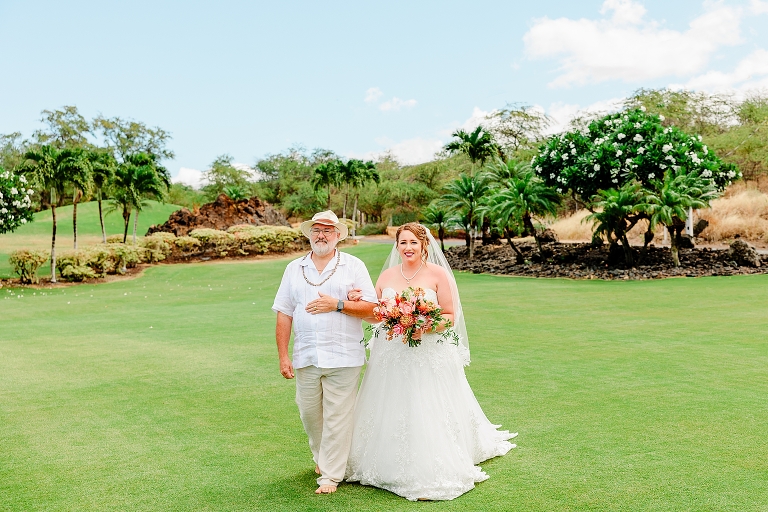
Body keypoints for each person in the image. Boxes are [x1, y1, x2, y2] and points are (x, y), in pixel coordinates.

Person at [344, 222, 517, 501]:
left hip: (428, 352)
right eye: (403, 242)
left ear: (424, 245)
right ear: (397, 246)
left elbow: (449, 315)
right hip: (391, 353)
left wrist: (424, 326)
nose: (408, 247)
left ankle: (428, 469)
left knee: (426, 403)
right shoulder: (387, 276)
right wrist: (356, 301)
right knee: (389, 403)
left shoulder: (438, 274)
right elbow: (375, 315)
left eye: (413, 242)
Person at [272, 210, 377, 495]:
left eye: (328, 230)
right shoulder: (294, 268)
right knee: (310, 415)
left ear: (338, 235)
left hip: (344, 355)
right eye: (316, 230)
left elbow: (373, 309)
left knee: (337, 417)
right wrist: (283, 355)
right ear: (309, 234)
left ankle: (331, 475)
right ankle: (322, 458)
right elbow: (284, 312)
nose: (321, 235)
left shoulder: (354, 266)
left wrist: (339, 304)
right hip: (306, 354)